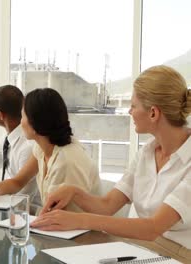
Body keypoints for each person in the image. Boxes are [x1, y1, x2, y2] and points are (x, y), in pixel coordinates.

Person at [31, 65, 191, 261]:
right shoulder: (146, 153)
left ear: (153, 113)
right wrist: (73, 191)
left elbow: (153, 228)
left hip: (180, 254)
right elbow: (107, 206)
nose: (129, 111)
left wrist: (80, 220)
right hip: (147, 247)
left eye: (133, 106)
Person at [0, 88, 100, 212]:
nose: (20, 122)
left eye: (23, 116)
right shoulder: (42, 147)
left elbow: (60, 217)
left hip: (77, 228)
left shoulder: (66, 162)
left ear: (35, 124)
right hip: (57, 224)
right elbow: (18, 181)